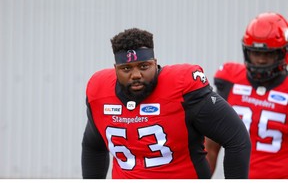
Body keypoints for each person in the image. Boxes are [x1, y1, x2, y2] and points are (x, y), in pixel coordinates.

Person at [81, 28, 251, 179]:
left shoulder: (182, 88)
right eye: (126, 68)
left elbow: (236, 137)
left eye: (143, 66)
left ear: (155, 63)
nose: (136, 74)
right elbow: (93, 145)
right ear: (115, 69)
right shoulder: (100, 91)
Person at [205, 12, 288, 179]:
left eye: (268, 54)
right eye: (256, 53)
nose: (261, 61)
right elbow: (211, 147)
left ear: (282, 53)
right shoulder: (230, 80)